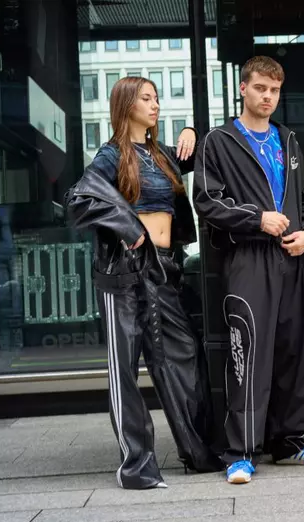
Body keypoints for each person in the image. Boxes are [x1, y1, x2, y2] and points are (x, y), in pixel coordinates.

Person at [66, 76, 222, 490]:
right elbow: (79, 199)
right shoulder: (111, 155)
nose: (155, 105)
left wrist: (193, 131)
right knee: (125, 368)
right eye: (146, 98)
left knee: (184, 354)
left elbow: (213, 150)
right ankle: (136, 467)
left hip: (165, 269)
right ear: (126, 105)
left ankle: (199, 452)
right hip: (125, 271)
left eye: (156, 98)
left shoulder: (163, 154)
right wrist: (127, 226)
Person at [192, 56, 304, 485]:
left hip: (293, 258)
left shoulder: (288, 140)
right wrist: (257, 219)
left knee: (295, 350)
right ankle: (240, 452)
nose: (268, 97)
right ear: (243, 88)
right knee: (248, 351)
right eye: (260, 88)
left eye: (274, 90)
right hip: (249, 258)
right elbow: (207, 201)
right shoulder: (218, 141)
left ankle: (289, 442)